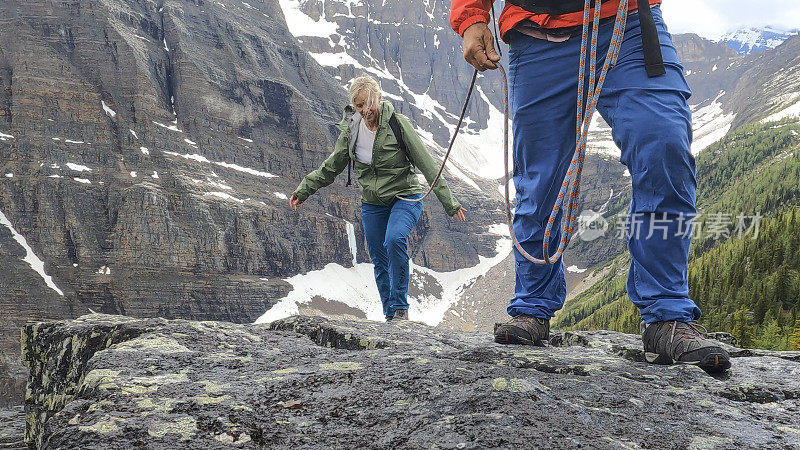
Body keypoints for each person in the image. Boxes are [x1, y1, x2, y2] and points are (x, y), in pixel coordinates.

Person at [451, 0, 731, 371]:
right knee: (541, 178)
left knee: (664, 142)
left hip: (627, 21)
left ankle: (666, 315)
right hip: (536, 31)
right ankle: (533, 305)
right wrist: (471, 17)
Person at [290, 75, 467, 322]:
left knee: (395, 239)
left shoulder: (398, 124)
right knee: (379, 259)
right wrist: (304, 190)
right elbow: (332, 166)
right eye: (359, 105)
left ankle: (400, 309)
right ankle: (390, 316)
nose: (365, 110)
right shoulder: (352, 130)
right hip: (372, 203)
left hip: (405, 197)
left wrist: (450, 203)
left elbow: (427, 165)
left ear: (379, 98)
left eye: (369, 103)